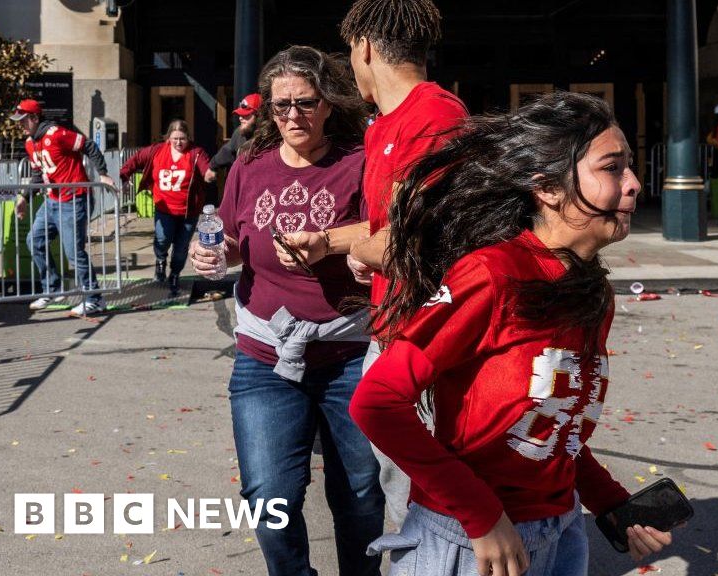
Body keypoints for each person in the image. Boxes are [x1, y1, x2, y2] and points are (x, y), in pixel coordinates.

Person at [350, 92, 672, 576]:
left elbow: (554, 425)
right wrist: (480, 514)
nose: (634, 184)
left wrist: (611, 503)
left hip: (563, 536)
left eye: (629, 166)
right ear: (549, 189)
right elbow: (376, 402)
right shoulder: (491, 275)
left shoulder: (594, 293)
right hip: (469, 545)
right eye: (612, 168)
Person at [189, 46, 383, 576]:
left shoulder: (359, 161)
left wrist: (333, 244)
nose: (293, 115)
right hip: (265, 358)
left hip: (348, 354)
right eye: (281, 105)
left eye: (305, 102)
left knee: (360, 496)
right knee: (268, 499)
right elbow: (234, 241)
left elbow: (384, 230)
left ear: (328, 104)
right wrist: (212, 253)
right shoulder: (250, 165)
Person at [339, 0, 468, 527]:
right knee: (401, 489)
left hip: (426, 337)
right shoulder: (381, 127)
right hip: (391, 327)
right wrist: (327, 242)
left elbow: (407, 245)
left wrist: (362, 250)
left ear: (366, 48)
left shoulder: (435, 117)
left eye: (350, 52)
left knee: (427, 501)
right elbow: (383, 232)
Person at [11, 99, 114, 316]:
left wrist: (103, 174)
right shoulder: (30, 143)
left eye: (23, 120)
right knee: (34, 240)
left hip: (74, 199)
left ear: (34, 118)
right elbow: (38, 175)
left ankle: (94, 298)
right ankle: (53, 288)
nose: (20, 125)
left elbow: (88, 145)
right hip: (51, 200)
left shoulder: (56, 134)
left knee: (74, 252)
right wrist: (24, 198)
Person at [120, 119, 211, 296]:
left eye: (182, 139)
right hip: (164, 208)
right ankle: (160, 260)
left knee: (181, 247)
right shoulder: (156, 151)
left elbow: (205, 168)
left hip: (188, 211)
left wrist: (209, 174)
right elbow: (135, 159)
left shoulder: (195, 153)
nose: (179, 142)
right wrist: (124, 175)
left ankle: (175, 274)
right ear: (168, 138)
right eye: (175, 138)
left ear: (188, 138)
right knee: (162, 239)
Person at [204, 93, 260, 184]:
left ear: (260, 116)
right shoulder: (239, 133)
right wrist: (212, 167)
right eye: (240, 114)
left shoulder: (271, 138)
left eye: (246, 115)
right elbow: (227, 150)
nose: (240, 118)